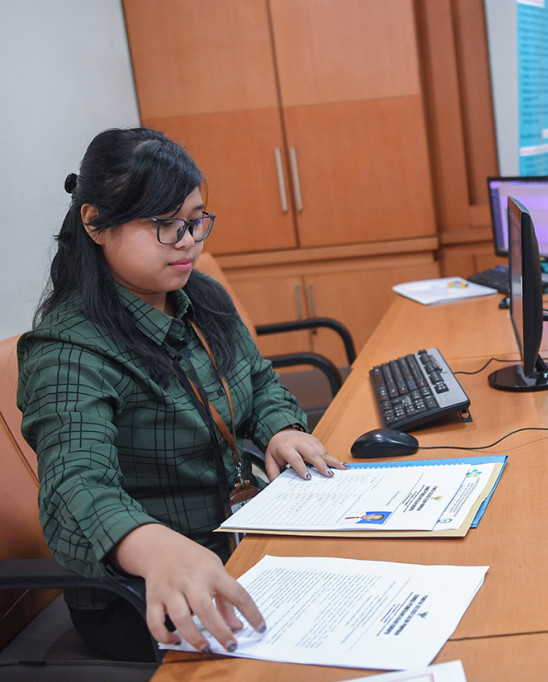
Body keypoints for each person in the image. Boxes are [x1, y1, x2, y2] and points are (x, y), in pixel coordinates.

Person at [17, 128, 346, 661]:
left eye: (195, 220)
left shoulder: (199, 296)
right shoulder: (68, 351)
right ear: (95, 223)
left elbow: (258, 381)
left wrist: (280, 427)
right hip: (145, 592)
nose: (189, 240)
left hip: (237, 541)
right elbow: (74, 488)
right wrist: (150, 545)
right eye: (166, 226)